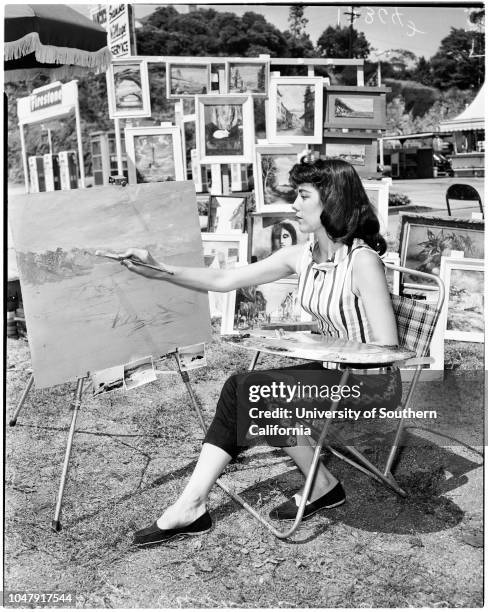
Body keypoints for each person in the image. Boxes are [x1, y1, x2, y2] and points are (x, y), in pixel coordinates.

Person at [105, 157, 400, 547]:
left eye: (303, 195)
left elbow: (387, 349)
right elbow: (226, 279)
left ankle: (198, 504)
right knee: (243, 389)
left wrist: (307, 344)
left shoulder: (363, 262)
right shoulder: (303, 255)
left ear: (332, 202)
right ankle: (306, 487)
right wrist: (157, 268)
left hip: (370, 383)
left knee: (255, 392)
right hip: (333, 370)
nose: (294, 204)